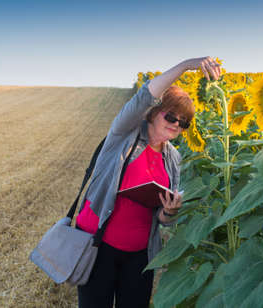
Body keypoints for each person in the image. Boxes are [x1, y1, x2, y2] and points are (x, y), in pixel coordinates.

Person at [75, 57, 222, 308]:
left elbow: (163, 218)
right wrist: (187, 65)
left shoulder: (173, 157)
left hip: (140, 255)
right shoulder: (124, 134)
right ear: (154, 112)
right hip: (99, 244)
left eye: (183, 123)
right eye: (172, 117)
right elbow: (146, 95)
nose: (177, 125)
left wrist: (169, 211)